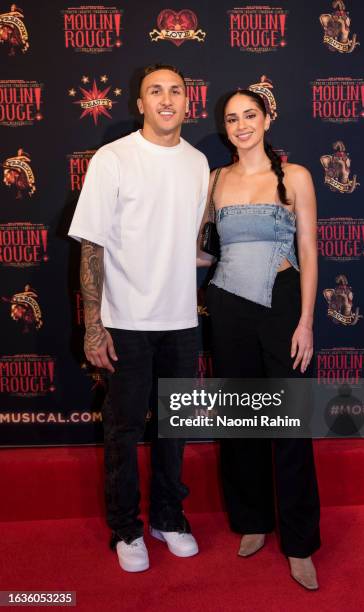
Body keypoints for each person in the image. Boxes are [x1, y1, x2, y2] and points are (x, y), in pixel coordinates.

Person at [68, 64, 210, 572]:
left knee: (174, 426)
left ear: (188, 102)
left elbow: (189, 243)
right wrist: (93, 323)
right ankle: (127, 528)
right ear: (140, 103)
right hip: (124, 319)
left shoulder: (198, 164)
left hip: (180, 320)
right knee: (123, 430)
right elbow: (91, 245)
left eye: (177, 90)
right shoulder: (114, 158)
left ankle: (168, 517)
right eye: (156, 91)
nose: (167, 99)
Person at [198, 89, 321, 590]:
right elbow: (200, 249)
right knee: (242, 421)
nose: (241, 125)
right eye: (232, 118)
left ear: (267, 118)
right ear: (224, 128)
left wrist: (306, 320)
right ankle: (252, 520)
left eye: (250, 115)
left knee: (291, 425)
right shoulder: (214, 181)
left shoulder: (295, 177)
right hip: (227, 306)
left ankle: (299, 543)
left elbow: (310, 248)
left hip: (284, 302)